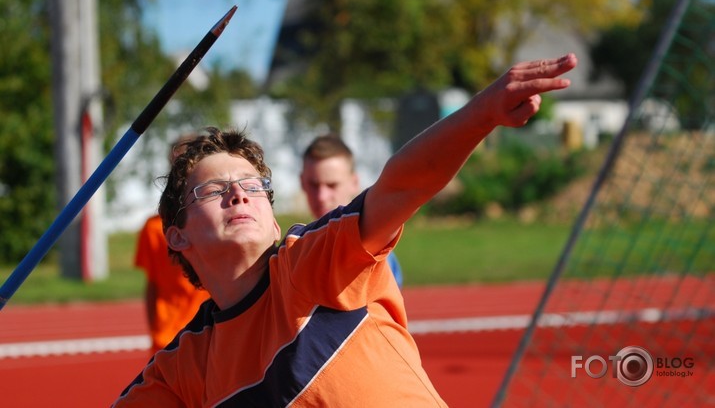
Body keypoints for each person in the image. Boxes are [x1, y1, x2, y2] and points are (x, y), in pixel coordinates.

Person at [114, 53, 577, 407]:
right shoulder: (186, 367)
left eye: (252, 186)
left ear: (273, 219)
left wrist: (482, 113)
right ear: (174, 235)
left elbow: (401, 184)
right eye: (214, 190)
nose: (238, 195)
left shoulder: (309, 264)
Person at [133, 135, 210, 353]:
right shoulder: (153, 228)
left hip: (210, 332)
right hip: (167, 336)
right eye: (177, 166)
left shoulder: (216, 224)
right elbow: (152, 285)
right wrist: (153, 330)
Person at [301, 133, 403, 287]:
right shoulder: (294, 250)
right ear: (302, 182)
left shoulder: (375, 253)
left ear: (354, 183)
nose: (322, 196)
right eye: (314, 185)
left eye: (332, 185)